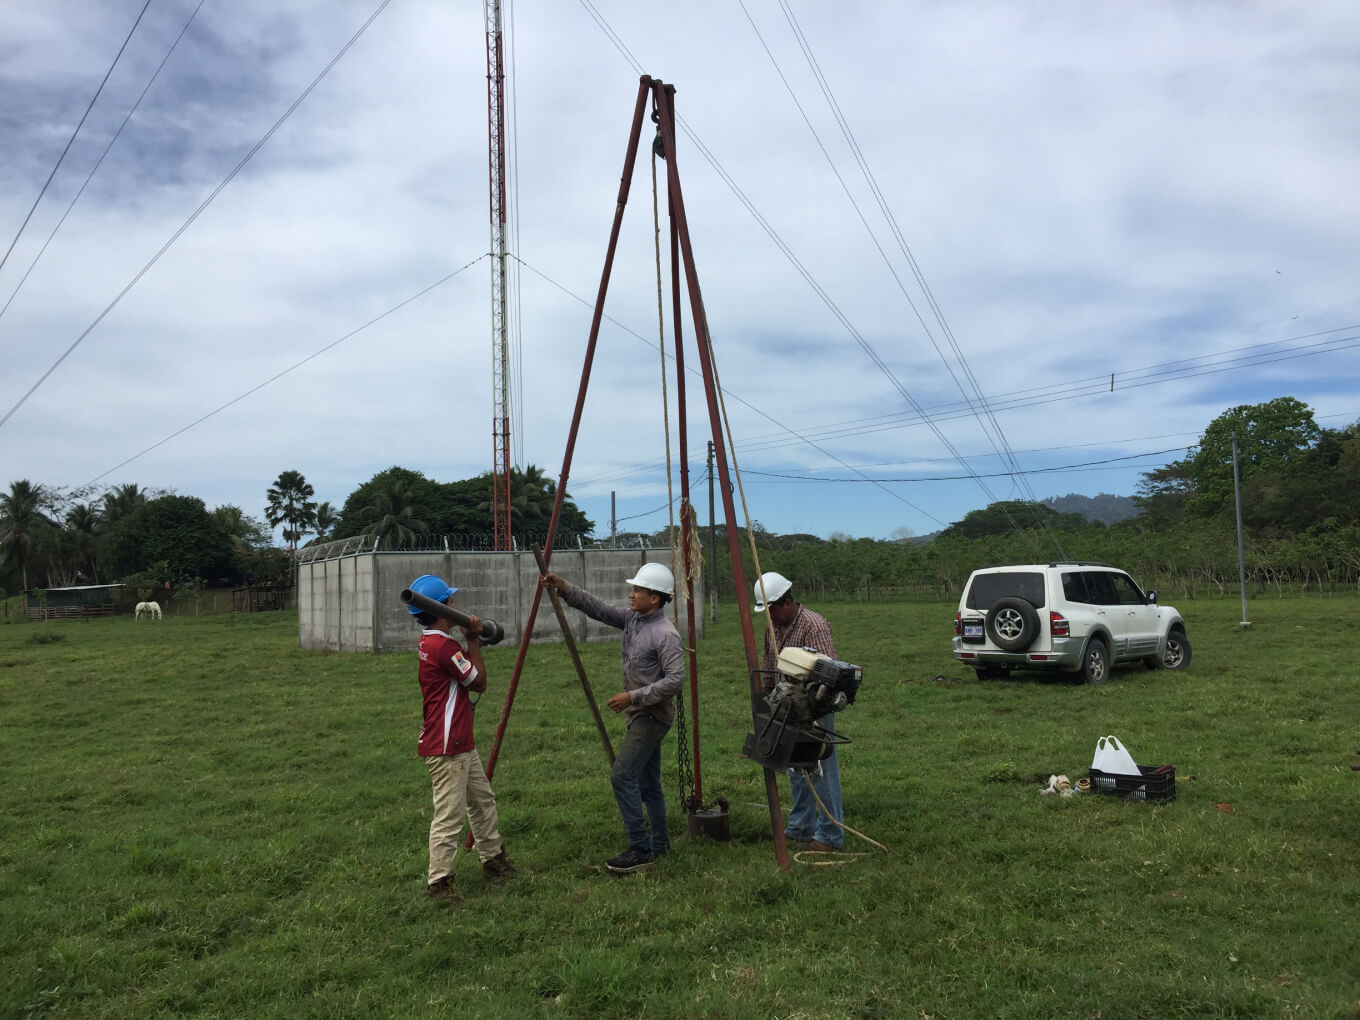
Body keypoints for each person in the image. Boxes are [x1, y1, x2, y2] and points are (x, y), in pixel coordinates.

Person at [540, 561, 684, 874]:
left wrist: (632, 697)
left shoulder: (665, 634)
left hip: (651, 717)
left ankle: (640, 848)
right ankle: (660, 846)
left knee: (622, 775)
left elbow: (675, 681)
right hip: (639, 715)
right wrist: (563, 588)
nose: (630, 594)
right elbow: (599, 609)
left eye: (637, 590)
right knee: (649, 784)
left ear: (655, 598)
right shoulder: (634, 620)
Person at [408, 573, 515, 903]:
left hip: (456, 742)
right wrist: (473, 641)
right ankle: (439, 882)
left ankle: (493, 859)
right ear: (444, 609)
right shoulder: (444, 647)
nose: (456, 604)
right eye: (451, 601)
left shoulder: (429, 642)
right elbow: (478, 682)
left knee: (482, 801)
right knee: (450, 814)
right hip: (447, 745)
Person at [753, 570, 845, 852]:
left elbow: (829, 675)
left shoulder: (814, 625)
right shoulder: (773, 628)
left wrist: (809, 706)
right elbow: (770, 665)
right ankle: (802, 825)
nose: (770, 616)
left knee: (820, 767)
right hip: (785, 706)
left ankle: (830, 835)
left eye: (771, 609)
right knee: (795, 766)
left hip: (813, 708)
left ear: (786, 602)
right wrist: (765, 701)